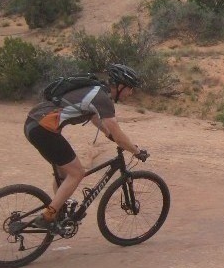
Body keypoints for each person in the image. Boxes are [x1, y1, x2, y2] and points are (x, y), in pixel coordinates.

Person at [23, 64, 145, 230]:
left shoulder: (95, 91)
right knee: (77, 172)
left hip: (34, 125)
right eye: (130, 88)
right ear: (120, 85)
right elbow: (117, 131)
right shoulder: (102, 98)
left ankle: (58, 213)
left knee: (64, 174)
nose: (130, 93)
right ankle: (49, 215)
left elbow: (96, 120)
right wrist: (136, 151)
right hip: (44, 129)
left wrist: (110, 136)